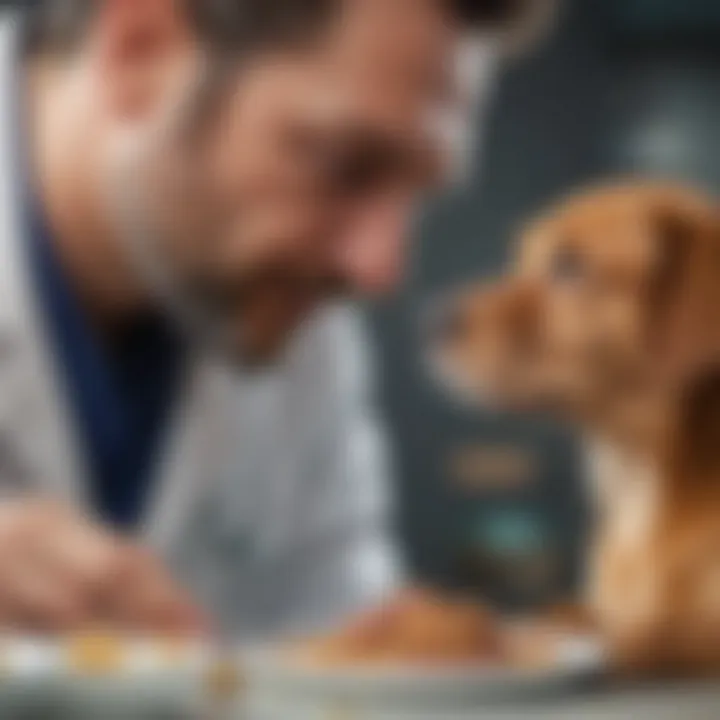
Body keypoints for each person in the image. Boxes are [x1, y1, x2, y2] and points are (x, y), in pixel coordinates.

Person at [0, 0, 534, 638]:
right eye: (345, 165)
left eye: (414, 195)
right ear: (140, 48)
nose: (378, 269)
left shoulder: (287, 315)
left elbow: (342, 656)